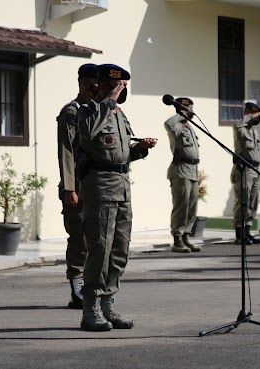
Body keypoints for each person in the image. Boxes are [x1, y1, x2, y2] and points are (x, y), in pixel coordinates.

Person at [77, 64, 157, 331]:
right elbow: (88, 136)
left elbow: (119, 155)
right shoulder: (88, 111)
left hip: (122, 188)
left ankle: (108, 305)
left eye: (121, 87)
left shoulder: (121, 116)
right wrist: (108, 101)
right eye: (113, 87)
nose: (118, 91)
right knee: (99, 249)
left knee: (119, 251)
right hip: (99, 189)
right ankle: (90, 309)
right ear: (100, 86)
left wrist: (140, 149)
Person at [56, 63, 97, 309]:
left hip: (96, 184)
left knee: (96, 240)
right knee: (79, 238)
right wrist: (69, 188)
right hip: (78, 184)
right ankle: (77, 288)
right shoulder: (71, 112)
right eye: (95, 84)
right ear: (83, 84)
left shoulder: (99, 110)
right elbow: (66, 152)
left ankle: (92, 286)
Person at [164, 97, 202, 253]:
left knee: (192, 207)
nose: (191, 111)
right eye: (188, 109)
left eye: (192, 109)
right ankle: (177, 239)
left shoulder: (190, 127)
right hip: (181, 170)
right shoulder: (177, 126)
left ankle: (186, 236)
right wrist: (182, 113)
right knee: (182, 206)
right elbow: (168, 124)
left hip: (193, 170)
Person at [231, 102, 260, 245]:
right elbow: (238, 124)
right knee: (243, 201)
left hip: (256, 170)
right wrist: (249, 117)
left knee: (253, 202)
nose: (257, 118)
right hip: (245, 170)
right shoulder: (239, 127)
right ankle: (240, 234)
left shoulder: (254, 132)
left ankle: (248, 231)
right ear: (248, 113)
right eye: (254, 114)